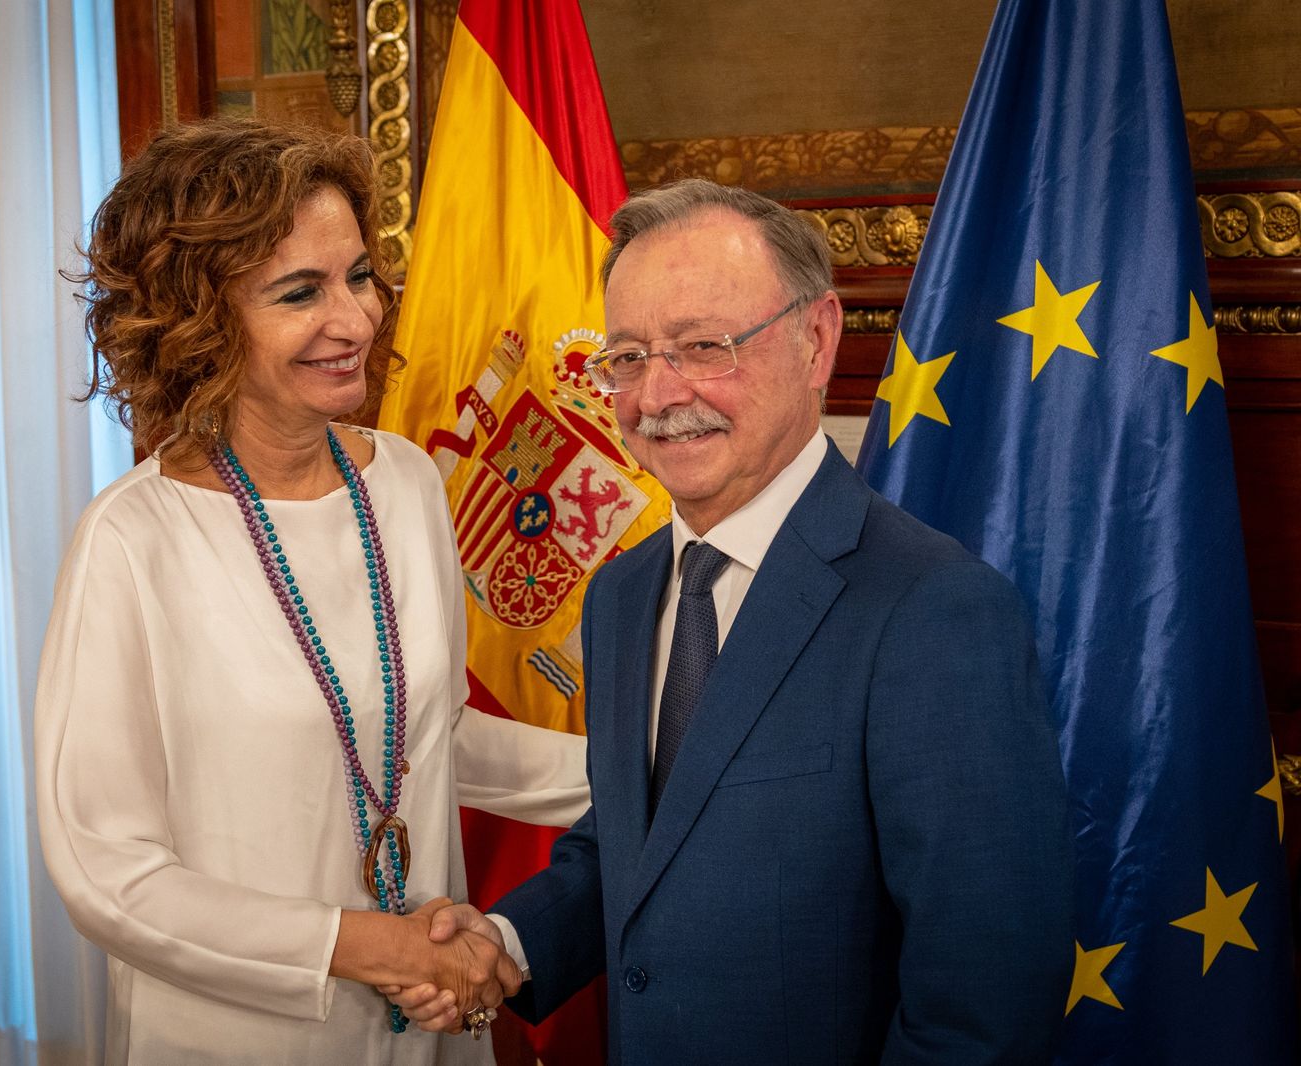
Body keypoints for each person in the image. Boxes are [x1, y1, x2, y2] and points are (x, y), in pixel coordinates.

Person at [390, 179, 1075, 1062]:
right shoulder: (622, 594)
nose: (658, 393)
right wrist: (507, 945)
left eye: (704, 346)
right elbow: (645, 842)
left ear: (817, 338)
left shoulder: (935, 610)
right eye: (628, 356)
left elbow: (986, 1002)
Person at [34, 117, 589, 1065]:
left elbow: (430, 735)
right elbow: (107, 872)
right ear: (199, 318)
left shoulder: (408, 480)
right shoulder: (131, 538)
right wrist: (369, 945)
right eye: (302, 292)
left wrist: (659, 764)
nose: (358, 319)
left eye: (359, 276)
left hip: (431, 1016)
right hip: (240, 1038)